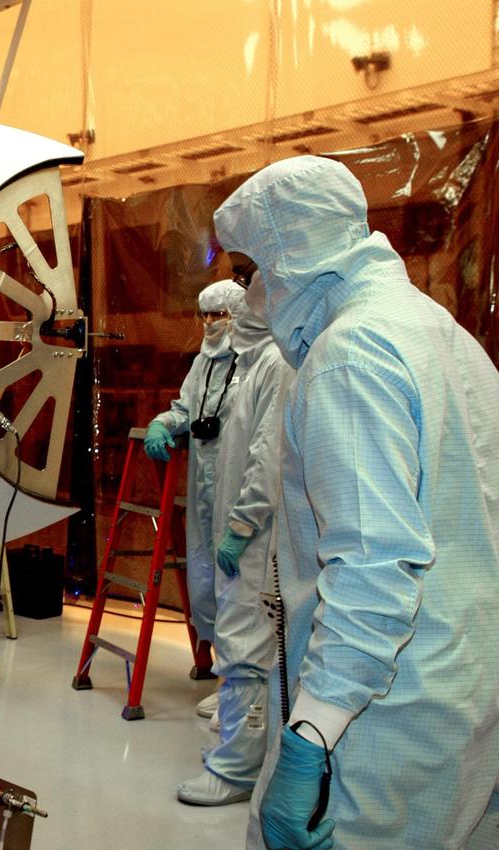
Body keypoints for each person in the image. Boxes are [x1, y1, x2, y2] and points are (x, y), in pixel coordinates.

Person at [213, 154, 499, 849]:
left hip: (379, 721)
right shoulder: (439, 333)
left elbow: (374, 570)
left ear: (290, 255)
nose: (250, 297)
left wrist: (311, 739)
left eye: (252, 274)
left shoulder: (350, 355)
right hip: (461, 695)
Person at [176, 271, 293, 806]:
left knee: (247, 643)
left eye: (226, 312)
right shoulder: (248, 364)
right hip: (233, 524)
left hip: (252, 536)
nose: (216, 323)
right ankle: (239, 745)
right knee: (234, 632)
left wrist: (242, 527)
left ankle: (238, 771)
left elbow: (266, 460)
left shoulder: (273, 365)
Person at [142, 279, 243, 660]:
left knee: (239, 587)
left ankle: (246, 690)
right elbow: (187, 410)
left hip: (238, 490)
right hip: (203, 489)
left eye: (219, 315)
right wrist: (163, 423)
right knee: (204, 579)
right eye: (205, 315)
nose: (210, 323)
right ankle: (224, 676)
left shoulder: (255, 362)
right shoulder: (202, 364)